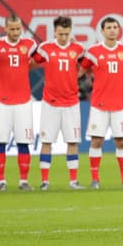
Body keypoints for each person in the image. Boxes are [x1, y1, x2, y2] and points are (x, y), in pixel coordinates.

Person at [0, 15, 38, 191]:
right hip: (2, 101)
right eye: (12, 29)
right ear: (5, 28)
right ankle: (1, 181)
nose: (16, 32)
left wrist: (23, 71)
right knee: (0, 141)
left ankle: (23, 181)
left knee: (23, 142)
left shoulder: (30, 45)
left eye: (18, 28)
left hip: (23, 102)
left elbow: (37, 61)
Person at [82, 17, 123, 189]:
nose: (112, 30)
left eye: (115, 27)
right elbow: (82, 70)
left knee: (121, 142)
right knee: (96, 141)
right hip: (99, 105)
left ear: (119, 30)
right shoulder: (93, 51)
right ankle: (95, 179)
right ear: (102, 31)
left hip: (119, 105)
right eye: (109, 27)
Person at [34, 17, 86, 191]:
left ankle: (73, 181)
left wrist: (77, 76)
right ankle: (44, 181)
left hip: (71, 103)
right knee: (47, 141)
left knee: (72, 142)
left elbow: (87, 65)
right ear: (54, 32)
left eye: (66, 34)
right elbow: (32, 62)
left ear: (70, 32)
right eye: (60, 34)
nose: (63, 37)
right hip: (51, 103)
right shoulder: (45, 48)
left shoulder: (78, 49)